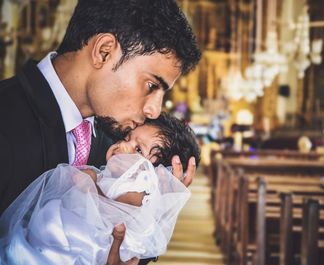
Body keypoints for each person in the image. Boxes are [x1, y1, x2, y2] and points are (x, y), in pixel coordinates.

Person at [0, 1, 201, 264]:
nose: (154, 110)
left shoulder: (123, 145)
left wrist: (153, 214)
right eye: (151, 85)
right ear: (104, 52)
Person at [0, 112, 201, 265]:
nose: (123, 145)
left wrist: (92, 186)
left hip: (83, 245)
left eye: (138, 149)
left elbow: (121, 212)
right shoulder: (112, 173)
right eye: (127, 138)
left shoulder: (141, 185)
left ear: (152, 172)